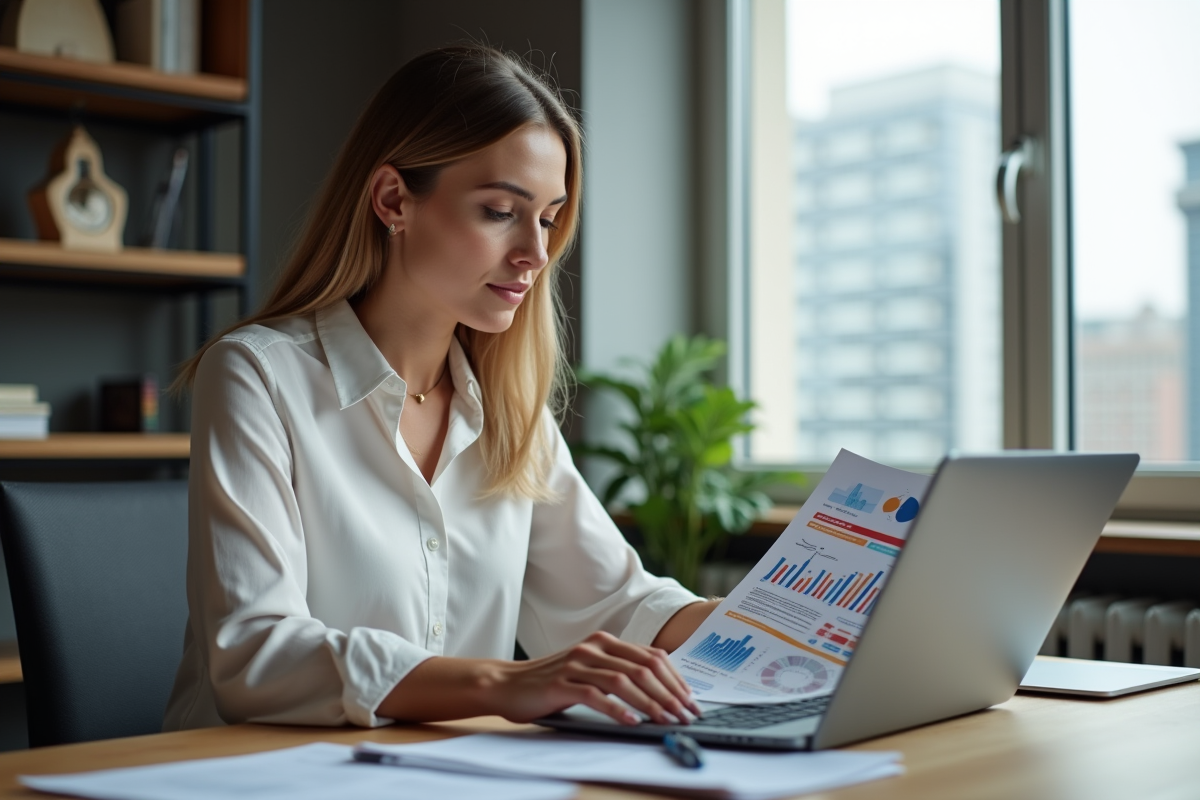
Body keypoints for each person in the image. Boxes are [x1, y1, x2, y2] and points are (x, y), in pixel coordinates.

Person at [163, 44, 719, 732]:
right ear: (394, 199)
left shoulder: (511, 416)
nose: (536, 255)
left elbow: (622, 607)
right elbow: (256, 655)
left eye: (548, 217)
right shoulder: (257, 375)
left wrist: (792, 625)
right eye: (499, 211)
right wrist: (501, 682)